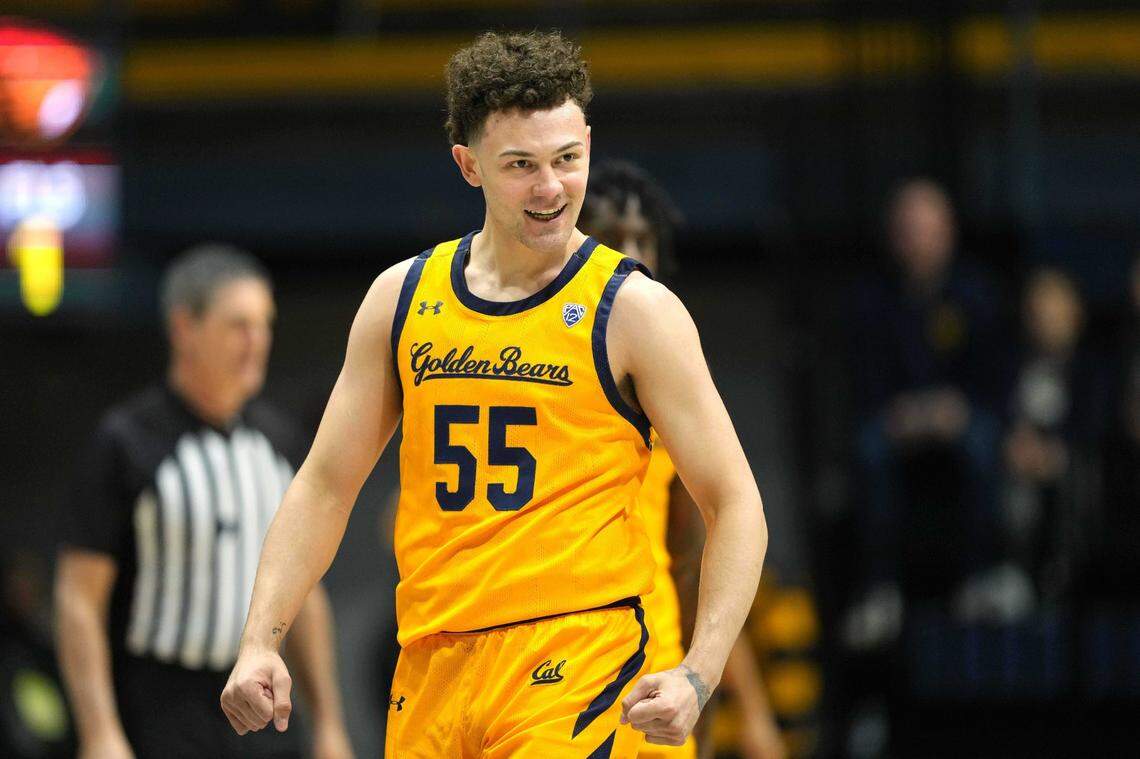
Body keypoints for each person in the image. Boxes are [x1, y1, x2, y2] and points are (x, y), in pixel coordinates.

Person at [221, 30, 767, 757]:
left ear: (589, 146)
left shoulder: (637, 312)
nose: (551, 188)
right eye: (521, 165)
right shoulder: (401, 299)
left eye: (567, 159)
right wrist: (261, 639)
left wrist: (701, 671)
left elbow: (735, 502)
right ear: (468, 165)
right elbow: (324, 486)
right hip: (432, 664)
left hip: (576, 655)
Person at [55, 245, 353, 759]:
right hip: (161, 712)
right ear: (184, 328)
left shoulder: (278, 443)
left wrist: (329, 725)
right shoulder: (126, 442)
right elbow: (79, 598)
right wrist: (99, 731)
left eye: (264, 325)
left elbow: (305, 595)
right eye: (238, 325)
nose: (256, 342)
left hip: (265, 706)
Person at [581, 160, 785, 759]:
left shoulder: (668, 371)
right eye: (611, 237)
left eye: (643, 240)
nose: (632, 254)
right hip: (547, 665)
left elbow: (699, 561)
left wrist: (742, 707)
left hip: (651, 670)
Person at [845, 179, 1007, 649]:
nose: (918, 241)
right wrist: (906, 412)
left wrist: (957, 408)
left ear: (949, 232)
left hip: (962, 417)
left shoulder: (976, 293)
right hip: (897, 420)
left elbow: (995, 380)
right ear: (893, 237)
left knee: (986, 444)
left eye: (928, 230)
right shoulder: (872, 299)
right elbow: (865, 382)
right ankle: (880, 590)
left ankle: (982, 578)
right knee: (868, 449)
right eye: (908, 230)